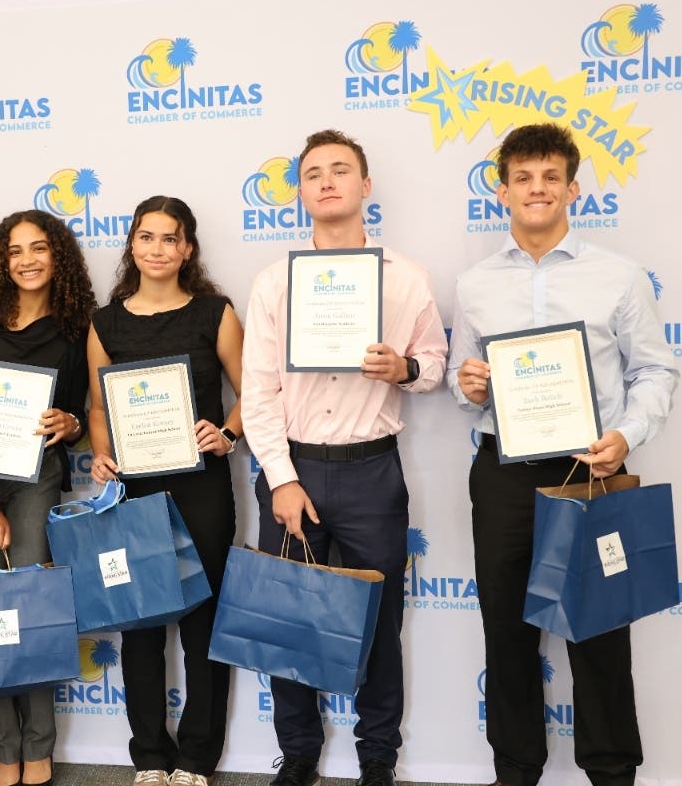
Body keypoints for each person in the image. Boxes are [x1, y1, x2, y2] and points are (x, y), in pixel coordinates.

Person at [447, 122, 678, 786]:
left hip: (591, 471)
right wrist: (466, 386)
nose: (536, 188)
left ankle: (610, 774)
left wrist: (625, 437)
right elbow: (467, 385)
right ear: (502, 192)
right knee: (507, 632)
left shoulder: (618, 276)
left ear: (571, 189)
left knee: (600, 632)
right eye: (522, 178)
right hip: (502, 475)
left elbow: (655, 372)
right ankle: (513, 773)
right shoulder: (473, 285)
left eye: (549, 177)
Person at [242, 129, 447, 786]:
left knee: (377, 621)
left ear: (364, 186)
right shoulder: (275, 283)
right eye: (312, 173)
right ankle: (297, 751)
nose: (326, 181)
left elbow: (435, 366)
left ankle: (376, 757)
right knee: (285, 619)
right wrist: (279, 478)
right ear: (300, 193)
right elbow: (258, 390)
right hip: (293, 469)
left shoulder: (406, 277)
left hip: (370, 471)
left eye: (340, 170)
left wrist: (403, 367)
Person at [87, 195, 244, 786]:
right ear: (132, 244)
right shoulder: (106, 323)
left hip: (202, 487)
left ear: (188, 248)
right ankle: (150, 755)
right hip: (133, 491)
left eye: (170, 238)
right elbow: (98, 406)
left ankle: (197, 758)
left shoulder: (214, 313)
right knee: (141, 625)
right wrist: (101, 453)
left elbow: (251, 391)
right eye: (146, 237)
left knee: (203, 622)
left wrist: (227, 433)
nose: (157, 249)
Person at [0, 209, 96, 786]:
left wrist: (69, 422)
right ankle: (5, 749)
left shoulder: (78, 326)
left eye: (39, 248)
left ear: (58, 256)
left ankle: (40, 744)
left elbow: (80, 415)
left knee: (29, 608)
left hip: (37, 478)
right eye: (14, 251)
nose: (27, 260)